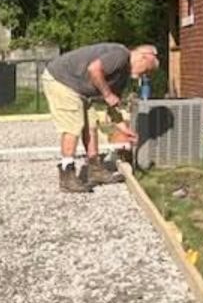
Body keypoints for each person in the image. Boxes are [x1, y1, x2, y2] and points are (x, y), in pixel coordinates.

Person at [42, 42, 160, 192]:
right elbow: (94, 69)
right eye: (147, 71)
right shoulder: (121, 54)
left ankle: (95, 169)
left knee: (91, 124)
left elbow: (112, 106)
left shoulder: (122, 76)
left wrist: (124, 129)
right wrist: (107, 94)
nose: (145, 75)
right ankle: (67, 175)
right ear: (144, 57)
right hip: (61, 80)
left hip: (80, 89)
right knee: (73, 126)